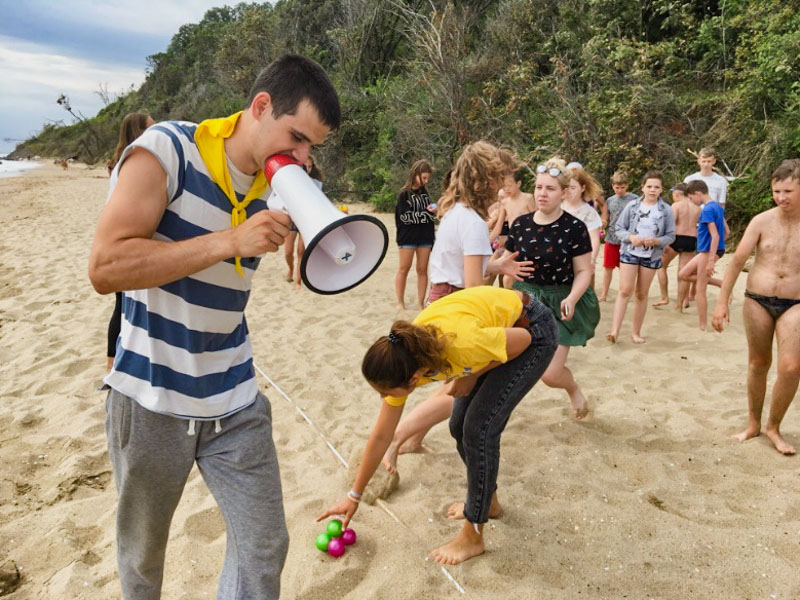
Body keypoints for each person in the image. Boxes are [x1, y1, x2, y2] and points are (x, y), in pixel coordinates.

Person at [88, 55, 341, 599]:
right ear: (260, 106)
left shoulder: (281, 182)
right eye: (296, 137)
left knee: (264, 546)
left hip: (234, 393)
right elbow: (105, 267)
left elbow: (334, 249)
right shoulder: (167, 151)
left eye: (311, 148)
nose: (301, 157)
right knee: (143, 557)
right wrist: (231, 241)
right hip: (150, 394)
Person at [318, 286, 558, 565]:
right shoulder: (404, 358)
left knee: (479, 429)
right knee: (457, 425)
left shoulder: (462, 346)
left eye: (386, 392)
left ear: (414, 379)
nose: (384, 398)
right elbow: (382, 435)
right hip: (494, 337)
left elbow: (524, 340)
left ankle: (473, 536)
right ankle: (488, 503)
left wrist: (472, 373)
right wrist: (353, 496)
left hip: (533, 332)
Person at [381, 141, 533, 473]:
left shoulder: (457, 212)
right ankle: (396, 440)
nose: (503, 188)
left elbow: (467, 269)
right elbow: (474, 290)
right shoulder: (475, 223)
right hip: (453, 306)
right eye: (499, 179)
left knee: (448, 382)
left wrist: (497, 267)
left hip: (439, 299)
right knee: (457, 389)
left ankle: (412, 439)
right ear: (483, 181)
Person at [711, 159, 800, 455]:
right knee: (758, 363)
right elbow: (736, 262)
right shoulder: (762, 221)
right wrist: (721, 302)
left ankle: (773, 427)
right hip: (757, 299)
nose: (781, 197)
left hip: (795, 303)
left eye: (787, 190)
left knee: (791, 367)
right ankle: (753, 423)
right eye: (776, 191)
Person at [503, 160, 600, 419]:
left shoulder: (575, 228)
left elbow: (583, 271)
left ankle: (573, 390)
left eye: (550, 188)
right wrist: (504, 277)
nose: (542, 193)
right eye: (538, 187)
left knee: (551, 374)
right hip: (524, 297)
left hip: (561, 298)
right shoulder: (521, 225)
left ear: (564, 192)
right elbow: (505, 262)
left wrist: (572, 297)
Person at [105, 112, 155, 370]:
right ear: (140, 131)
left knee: (122, 305)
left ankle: (112, 365)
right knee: (123, 306)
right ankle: (112, 368)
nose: (157, 130)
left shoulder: (120, 161)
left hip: (119, 237)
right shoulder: (134, 163)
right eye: (152, 126)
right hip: (125, 241)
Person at [607, 171, 676, 344]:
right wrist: (631, 237)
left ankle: (635, 333)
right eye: (649, 186)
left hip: (651, 255)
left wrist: (657, 241)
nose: (652, 190)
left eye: (656, 187)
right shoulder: (632, 206)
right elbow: (619, 228)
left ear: (661, 190)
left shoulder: (666, 210)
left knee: (641, 294)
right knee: (624, 290)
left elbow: (671, 235)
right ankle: (614, 331)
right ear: (643, 187)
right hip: (630, 252)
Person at [677, 179, 725, 331]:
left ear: (697, 193)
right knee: (683, 274)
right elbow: (726, 231)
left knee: (700, 290)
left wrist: (711, 259)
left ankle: (703, 325)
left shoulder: (707, 210)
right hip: (709, 250)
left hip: (706, 251)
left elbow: (715, 235)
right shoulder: (717, 206)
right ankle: (719, 283)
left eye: (691, 198)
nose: (691, 201)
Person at [394, 159, 435, 310]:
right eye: (424, 177)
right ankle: (400, 302)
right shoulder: (404, 194)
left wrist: (432, 212)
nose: (426, 181)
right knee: (404, 268)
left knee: (422, 269)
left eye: (427, 178)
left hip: (424, 236)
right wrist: (427, 213)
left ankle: (420, 302)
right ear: (415, 174)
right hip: (407, 237)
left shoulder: (425, 194)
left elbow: (430, 217)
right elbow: (405, 217)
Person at [653, 183, 700, 308]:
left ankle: (664, 296)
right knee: (684, 273)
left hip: (677, 238)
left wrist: (663, 242)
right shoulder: (697, 207)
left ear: (677, 194)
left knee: (661, 266)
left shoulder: (676, 205)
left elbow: (671, 224)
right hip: (691, 240)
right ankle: (679, 305)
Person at [599, 169, 638, 302]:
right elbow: (607, 217)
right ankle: (604, 294)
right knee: (608, 268)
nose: (619, 190)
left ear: (627, 185)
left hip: (627, 240)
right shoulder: (610, 200)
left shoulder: (634, 199)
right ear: (612, 186)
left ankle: (625, 293)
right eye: (617, 187)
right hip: (611, 239)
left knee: (626, 269)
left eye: (622, 187)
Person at [288, 155, 324, 289]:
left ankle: (298, 281)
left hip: (306, 219)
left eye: (309, 167)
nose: (307, 169)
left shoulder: (316, 183)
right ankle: (290, 270)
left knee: (301, 251)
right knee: (287, 252)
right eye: (305, 166)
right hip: (292, 218)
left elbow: (319, 201)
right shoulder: (293, 180)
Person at [563, 166, 604, 268]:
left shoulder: (589, 213)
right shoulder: (556, 206)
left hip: (580, 259)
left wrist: (592, 259)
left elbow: (594, 239)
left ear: (583, 188)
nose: (569, 191)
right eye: (566, 187)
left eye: (573, 188)